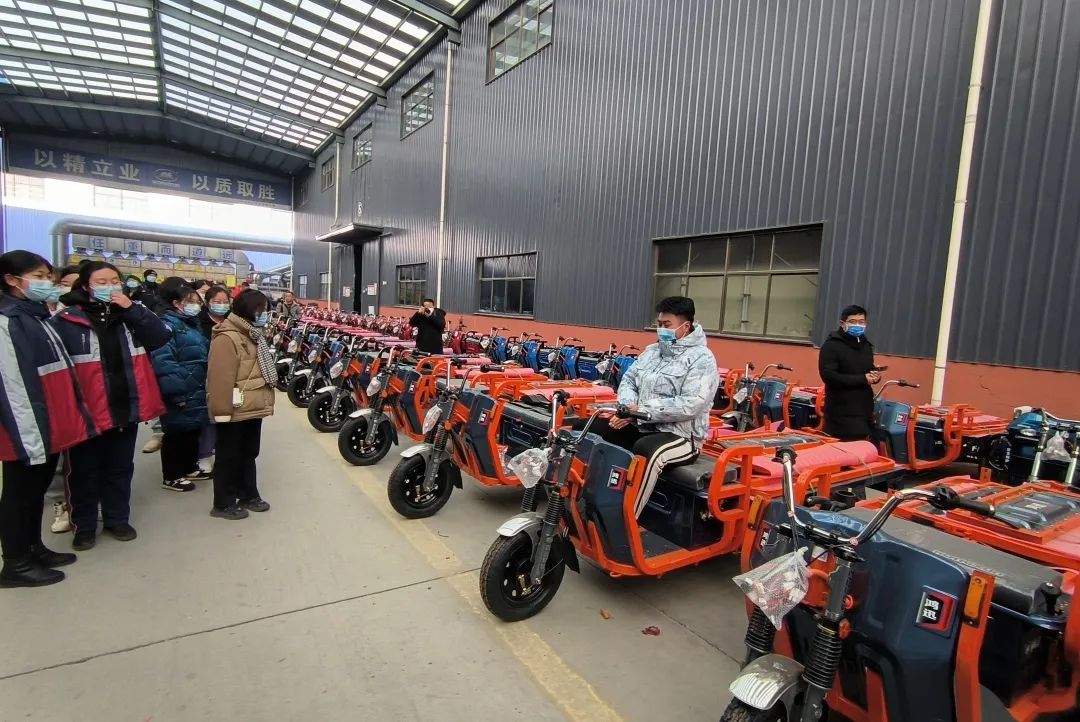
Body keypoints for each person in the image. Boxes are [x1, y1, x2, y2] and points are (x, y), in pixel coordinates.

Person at [52, 261, 171, 550]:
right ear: (86, 286)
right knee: (83, 471)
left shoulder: (130, 313)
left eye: (114, 281)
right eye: (102, 282)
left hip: (124, 404)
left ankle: (117, 518)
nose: (110, 287)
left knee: (120, 467)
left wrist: (132, 309)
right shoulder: (66, 319)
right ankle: (84, 525)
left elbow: (160, 336)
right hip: (86, 410)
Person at [0, 251, 92, 587]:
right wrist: (31, 437)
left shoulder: (35, 316)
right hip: (25, 428)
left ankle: (33, 548)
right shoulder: (7, 321)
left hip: (45, 423)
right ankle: (15, 563)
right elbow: (13, 386)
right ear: (12, 280)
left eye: (48, 276)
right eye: (38, 276)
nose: (47, 283)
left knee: (34, 491)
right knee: (18, 494)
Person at [594, 296, 720, 518]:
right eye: (659, 324)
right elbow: (628, 380)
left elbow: (690, 404)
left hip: (682, 436)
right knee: (592, 428)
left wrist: (640, 411)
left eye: (666, 325)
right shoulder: (652, 351)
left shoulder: (702, 359)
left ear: (685, 326)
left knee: (647, 451)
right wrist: (628, 408)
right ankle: (588, 498)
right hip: (643, 424)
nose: (661, 329)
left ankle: (624, 519)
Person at [206, 289, 276, 520]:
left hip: (252, 407)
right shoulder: (228, 337)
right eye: (262, 310)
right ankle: (223, 503)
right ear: (249, 310)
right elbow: (219, 379)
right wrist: (222, 411)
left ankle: (248, 494)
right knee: (228, 455)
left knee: (248, 452)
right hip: (234, 408)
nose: (265, 314)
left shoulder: (253, 334)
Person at [150, 284, 211, 492]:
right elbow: (163, 361)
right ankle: (172, 475)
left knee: (192, 428)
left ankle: (189, 467)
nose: (196, 306)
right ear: (176, 303)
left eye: (197, 302)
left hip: (196, 383)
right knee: (176, 431)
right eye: (190, 302)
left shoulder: (191, 324)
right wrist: (175, 391)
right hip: (180, 384)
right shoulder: (166, 326)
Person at [818, 304, 880, 441]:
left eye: (861, 322)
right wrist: (863, 379)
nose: (857, 325)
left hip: (863, 411)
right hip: (840, 413)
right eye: (853, 321)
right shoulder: (831, 346)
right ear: (842, 323)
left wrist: (874, 374)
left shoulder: (865, 345)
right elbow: (830, 377)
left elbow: (867, 368)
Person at [194, 286, 231, 474]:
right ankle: (204, 455)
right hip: (205, 373)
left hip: (230, 375)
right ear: (207, 303)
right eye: (217, 301)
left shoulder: (233, 321)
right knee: (209, 417)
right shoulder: (198, 323)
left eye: (225, 301)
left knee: (227, 416)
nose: (221, 305)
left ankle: (223, 454)